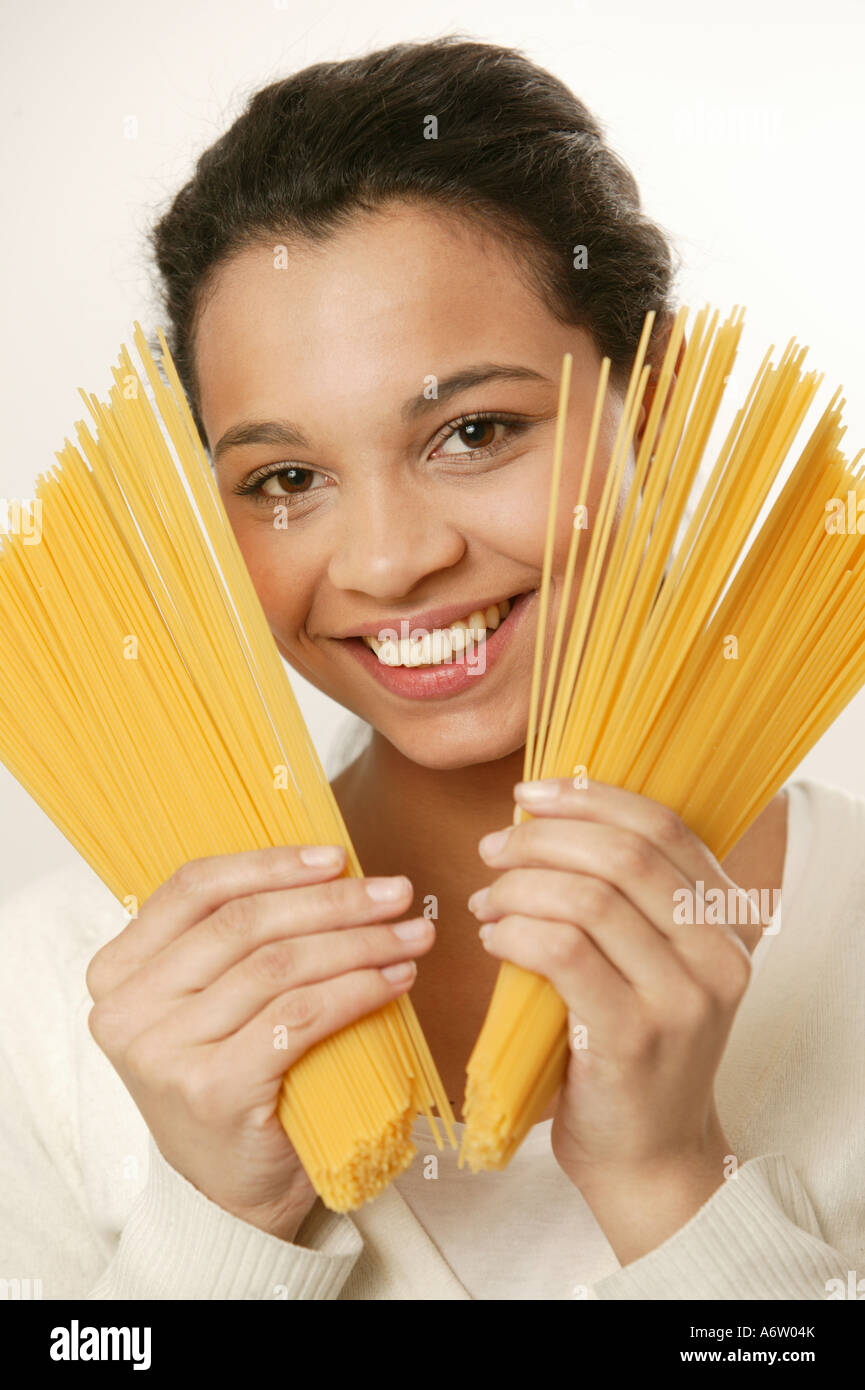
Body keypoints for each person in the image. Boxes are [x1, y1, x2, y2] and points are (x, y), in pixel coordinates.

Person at [1, 37, 863, 1302]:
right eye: (285, 480)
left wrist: (674, 1188)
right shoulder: (66, 988)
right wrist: (216, 1222)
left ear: (658, 397)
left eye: (475, 430)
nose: (393, 561)